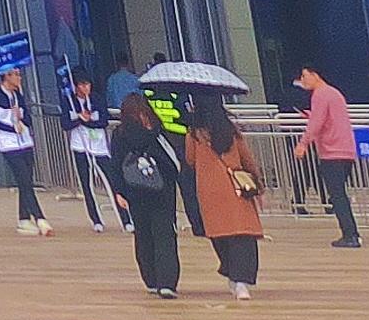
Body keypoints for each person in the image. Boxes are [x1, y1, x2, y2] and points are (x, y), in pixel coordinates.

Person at [181, 89, 264, 300]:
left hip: (209, 191)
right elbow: (246, 158)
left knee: (220, 235)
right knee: (242, 235)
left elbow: (190, 160)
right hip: (235, 188)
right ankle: (241, 282)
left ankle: (230, 274)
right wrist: (257, 183)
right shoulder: (231, 130)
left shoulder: (194, 134)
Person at [106, 93, 182, 300]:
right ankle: (167, 282)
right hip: (161, 192)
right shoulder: (156, 133)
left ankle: (151, 279)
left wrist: (119, 191)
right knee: (165, 235)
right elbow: (172, 163)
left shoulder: (120, 134)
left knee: (143, 235)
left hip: (135, 192)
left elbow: (115, 165)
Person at [292, 66, 359, 247]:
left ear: (315, 75)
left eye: (304, 75)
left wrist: (303, 143)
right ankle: (351, 233)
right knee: (339, 194)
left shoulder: (320, 94)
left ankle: (350, 235)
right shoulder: (334, 93)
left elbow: (317, 122)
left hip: (332, 151)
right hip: (345, 150)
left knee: (337, 195)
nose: (302, 80)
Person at [0, 69, 48, 233]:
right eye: (16, 74)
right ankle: (39, 217)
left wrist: (21, 118)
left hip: (25, 142)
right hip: (9, 144)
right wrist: (11, 127)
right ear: (7, 76)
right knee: (23, 178)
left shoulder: (17, 95)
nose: (19, 78)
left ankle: (24, 218)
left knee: (26, 180)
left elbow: (27, 117)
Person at [61, 74, 116, 230]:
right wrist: (79, 119)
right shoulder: (69, 101)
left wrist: (88, 121)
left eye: (88, 84)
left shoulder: (97, 99)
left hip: (99, 147)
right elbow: (65, 124)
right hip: (80, 147)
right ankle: (96, 219)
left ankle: (126, 218)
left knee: (113, 181)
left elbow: (103, 121)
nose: (86, 88)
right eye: (82, 85)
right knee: (86, 184)